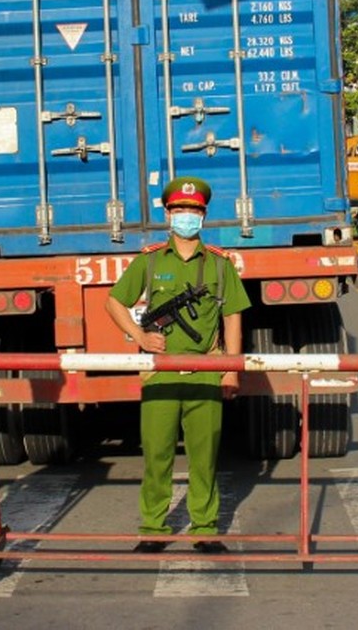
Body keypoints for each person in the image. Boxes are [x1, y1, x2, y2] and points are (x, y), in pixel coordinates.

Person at [105, 176, 251, 554]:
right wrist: (139, 337)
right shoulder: (151, 262)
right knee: (157, 455)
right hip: (160, 374)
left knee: (205, 456)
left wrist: (232, 368)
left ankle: (204, 528)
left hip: (206, 371)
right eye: (180, 210)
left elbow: (233, 316)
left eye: (194, 210)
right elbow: (115, 302)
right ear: (167, 214)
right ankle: (153, 528)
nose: (187, 216)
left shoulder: (220, 266)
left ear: (203, 215)